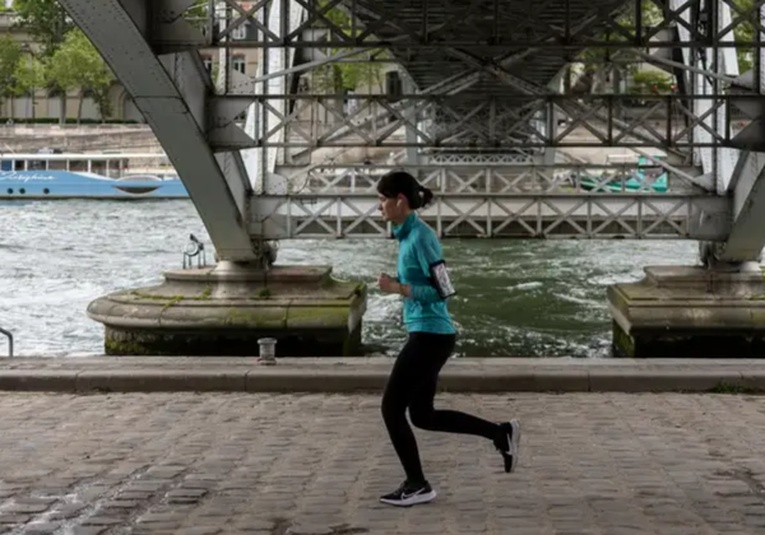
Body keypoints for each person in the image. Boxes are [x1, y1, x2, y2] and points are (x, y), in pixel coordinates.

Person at [375, 170, 521, 507]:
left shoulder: (422, 238)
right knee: (422, 416)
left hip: (431, 335)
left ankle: (417, 484)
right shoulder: (404, 235)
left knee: (390, 408)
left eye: (383, 199)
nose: (378, 206)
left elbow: (444, 291)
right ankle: (501, 433)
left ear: (400, 201)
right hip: (426, 333)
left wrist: (397, 288)